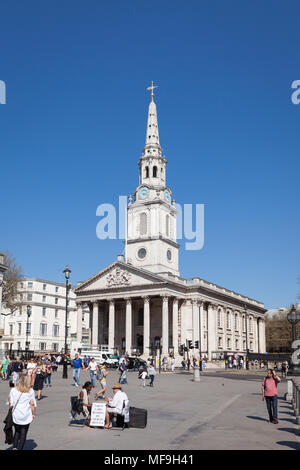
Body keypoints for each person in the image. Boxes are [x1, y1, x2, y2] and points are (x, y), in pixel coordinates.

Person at [8, 373, 36, 450]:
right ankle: (20, 448)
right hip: (26, 414)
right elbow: (32, 405)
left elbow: (10, 404)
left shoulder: (13, 390)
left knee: (17, 431)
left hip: (16, 414)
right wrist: (33, 414)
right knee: (23, 433)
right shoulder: (30, 391)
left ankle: (14, 447)